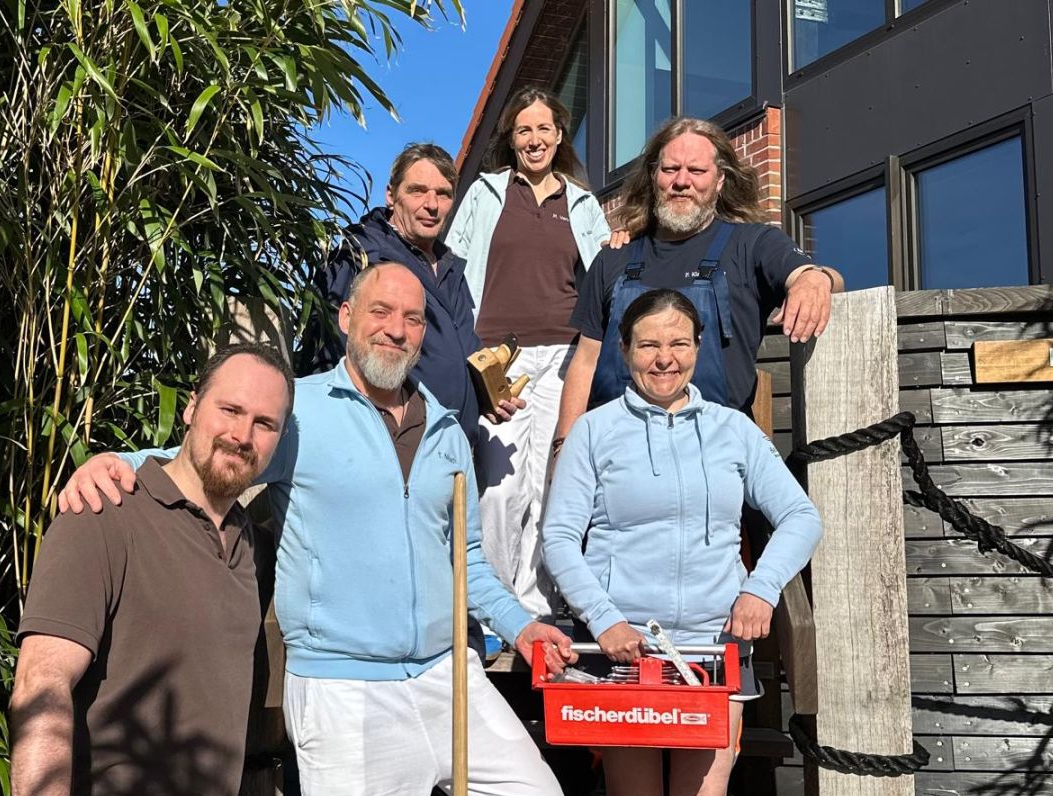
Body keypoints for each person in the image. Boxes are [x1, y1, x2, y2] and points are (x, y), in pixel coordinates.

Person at [58, 263, 573, 796]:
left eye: (412, 318)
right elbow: (202, 453)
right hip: (344, 684)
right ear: (346, 318)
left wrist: (523, 626)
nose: (397, 329)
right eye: (381, 312)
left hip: (444, 671)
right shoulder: (298, 415)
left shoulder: (445, 425)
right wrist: (113, 460)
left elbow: (467, 556)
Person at [11, 344, 393, 796]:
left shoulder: (244, 538)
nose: (243, 433)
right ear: (189, 408)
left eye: (266, 423)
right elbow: (40, 685)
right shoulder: (103, 515)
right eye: (229, 410)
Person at [541, 289, 822, 796]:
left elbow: (800, 517)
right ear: (624, 353)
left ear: (699, 346)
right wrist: (603, 619)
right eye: (647, 345)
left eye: (678, 342)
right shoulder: (595, 433)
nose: (664, 358)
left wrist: (760, 590)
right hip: (624, 657)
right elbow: (560, 538)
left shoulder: (732, 431)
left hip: (707, 656)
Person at [552, 116, 844, 456]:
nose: (681, 181)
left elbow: (826, 276)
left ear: (720, 181)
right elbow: (585, 360)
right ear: (653, 176)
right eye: (671, 169)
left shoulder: (751, 244)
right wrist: (564, 447)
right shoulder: (613, 259)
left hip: (716, 452)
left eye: (696, 171)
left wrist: (813, 278)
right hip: (615, 451)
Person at [447, 87, 613, 616]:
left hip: (565, 359)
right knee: (498, 488)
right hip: (500, 358)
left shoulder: (583, 203)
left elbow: (606, 272)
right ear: (512, 139)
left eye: (544, 129)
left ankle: (539, 605)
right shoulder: (486, 193)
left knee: (550, 483)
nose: (534, 139)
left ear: (560, 136)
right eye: (524, 130)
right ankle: (493, 603)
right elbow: (453, 270)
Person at [299, 143, 522, 444]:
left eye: (443, 194)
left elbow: (462, 356)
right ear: (391, 195)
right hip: (385, 446)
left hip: (451, 450)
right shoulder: (361, 255)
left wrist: (486, 396)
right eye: (418, 191)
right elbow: (325, 357)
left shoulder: (451, 268)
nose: (432, 204)